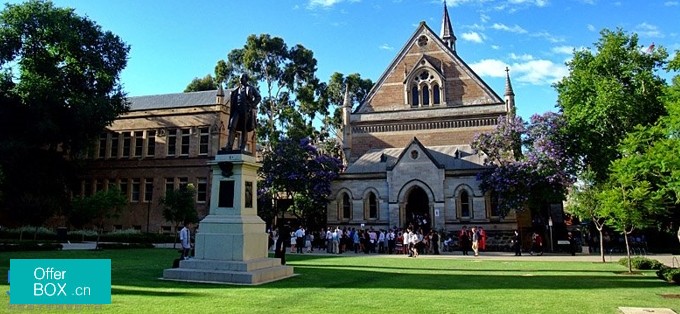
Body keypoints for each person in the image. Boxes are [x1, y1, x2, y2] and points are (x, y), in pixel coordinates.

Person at [226, 73, 261, 151]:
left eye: (242, 78)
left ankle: (242, 146)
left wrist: (252, 105)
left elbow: (258, 97)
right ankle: (229, 146)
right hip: (237, 110)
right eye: (240, 78)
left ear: (246, 79)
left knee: (244, 128)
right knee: (232, 126)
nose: (240, 79)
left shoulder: (251, 88)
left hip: (246, 111)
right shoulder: (236, 90)